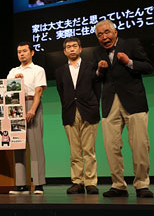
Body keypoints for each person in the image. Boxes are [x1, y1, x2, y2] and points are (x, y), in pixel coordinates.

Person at [94, 19, 154, 198]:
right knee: (111, 146)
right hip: (109, 103)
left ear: (115, 32)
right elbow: (94, 78)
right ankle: (118, 185)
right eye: (100, 35)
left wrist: (129, 62)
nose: (104, 37)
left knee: (140, 145)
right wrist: (99, 71)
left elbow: (149, 67)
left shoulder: (131, 44)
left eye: (106, 32)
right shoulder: (97, 52)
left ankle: (142, 184)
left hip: (134, 101)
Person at [55, 37, 101, 195]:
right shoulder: (60, 71)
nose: (72, 49)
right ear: (65, 51)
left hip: (89, 110)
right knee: (74, 151)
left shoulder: (90, 66)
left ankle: (90, 182)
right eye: (69, 47)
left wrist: (94, 106)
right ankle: (77, 182)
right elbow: (61, 92)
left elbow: (97, 89)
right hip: (70, 112)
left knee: (89, 150)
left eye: (75, 46)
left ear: (80, 49)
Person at [7, 41, 47, 195]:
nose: (21, 54)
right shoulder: (12, 71)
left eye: (24, 51)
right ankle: (20, 184)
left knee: (36, 146)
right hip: (16, 106)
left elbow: (38, 92)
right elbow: (7, 91)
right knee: (18, 145)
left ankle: (38, 184)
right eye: (19, 52)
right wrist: (15, 82)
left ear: (32, 52)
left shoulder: (38, 70)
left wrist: (32, 110)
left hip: (32, 103)